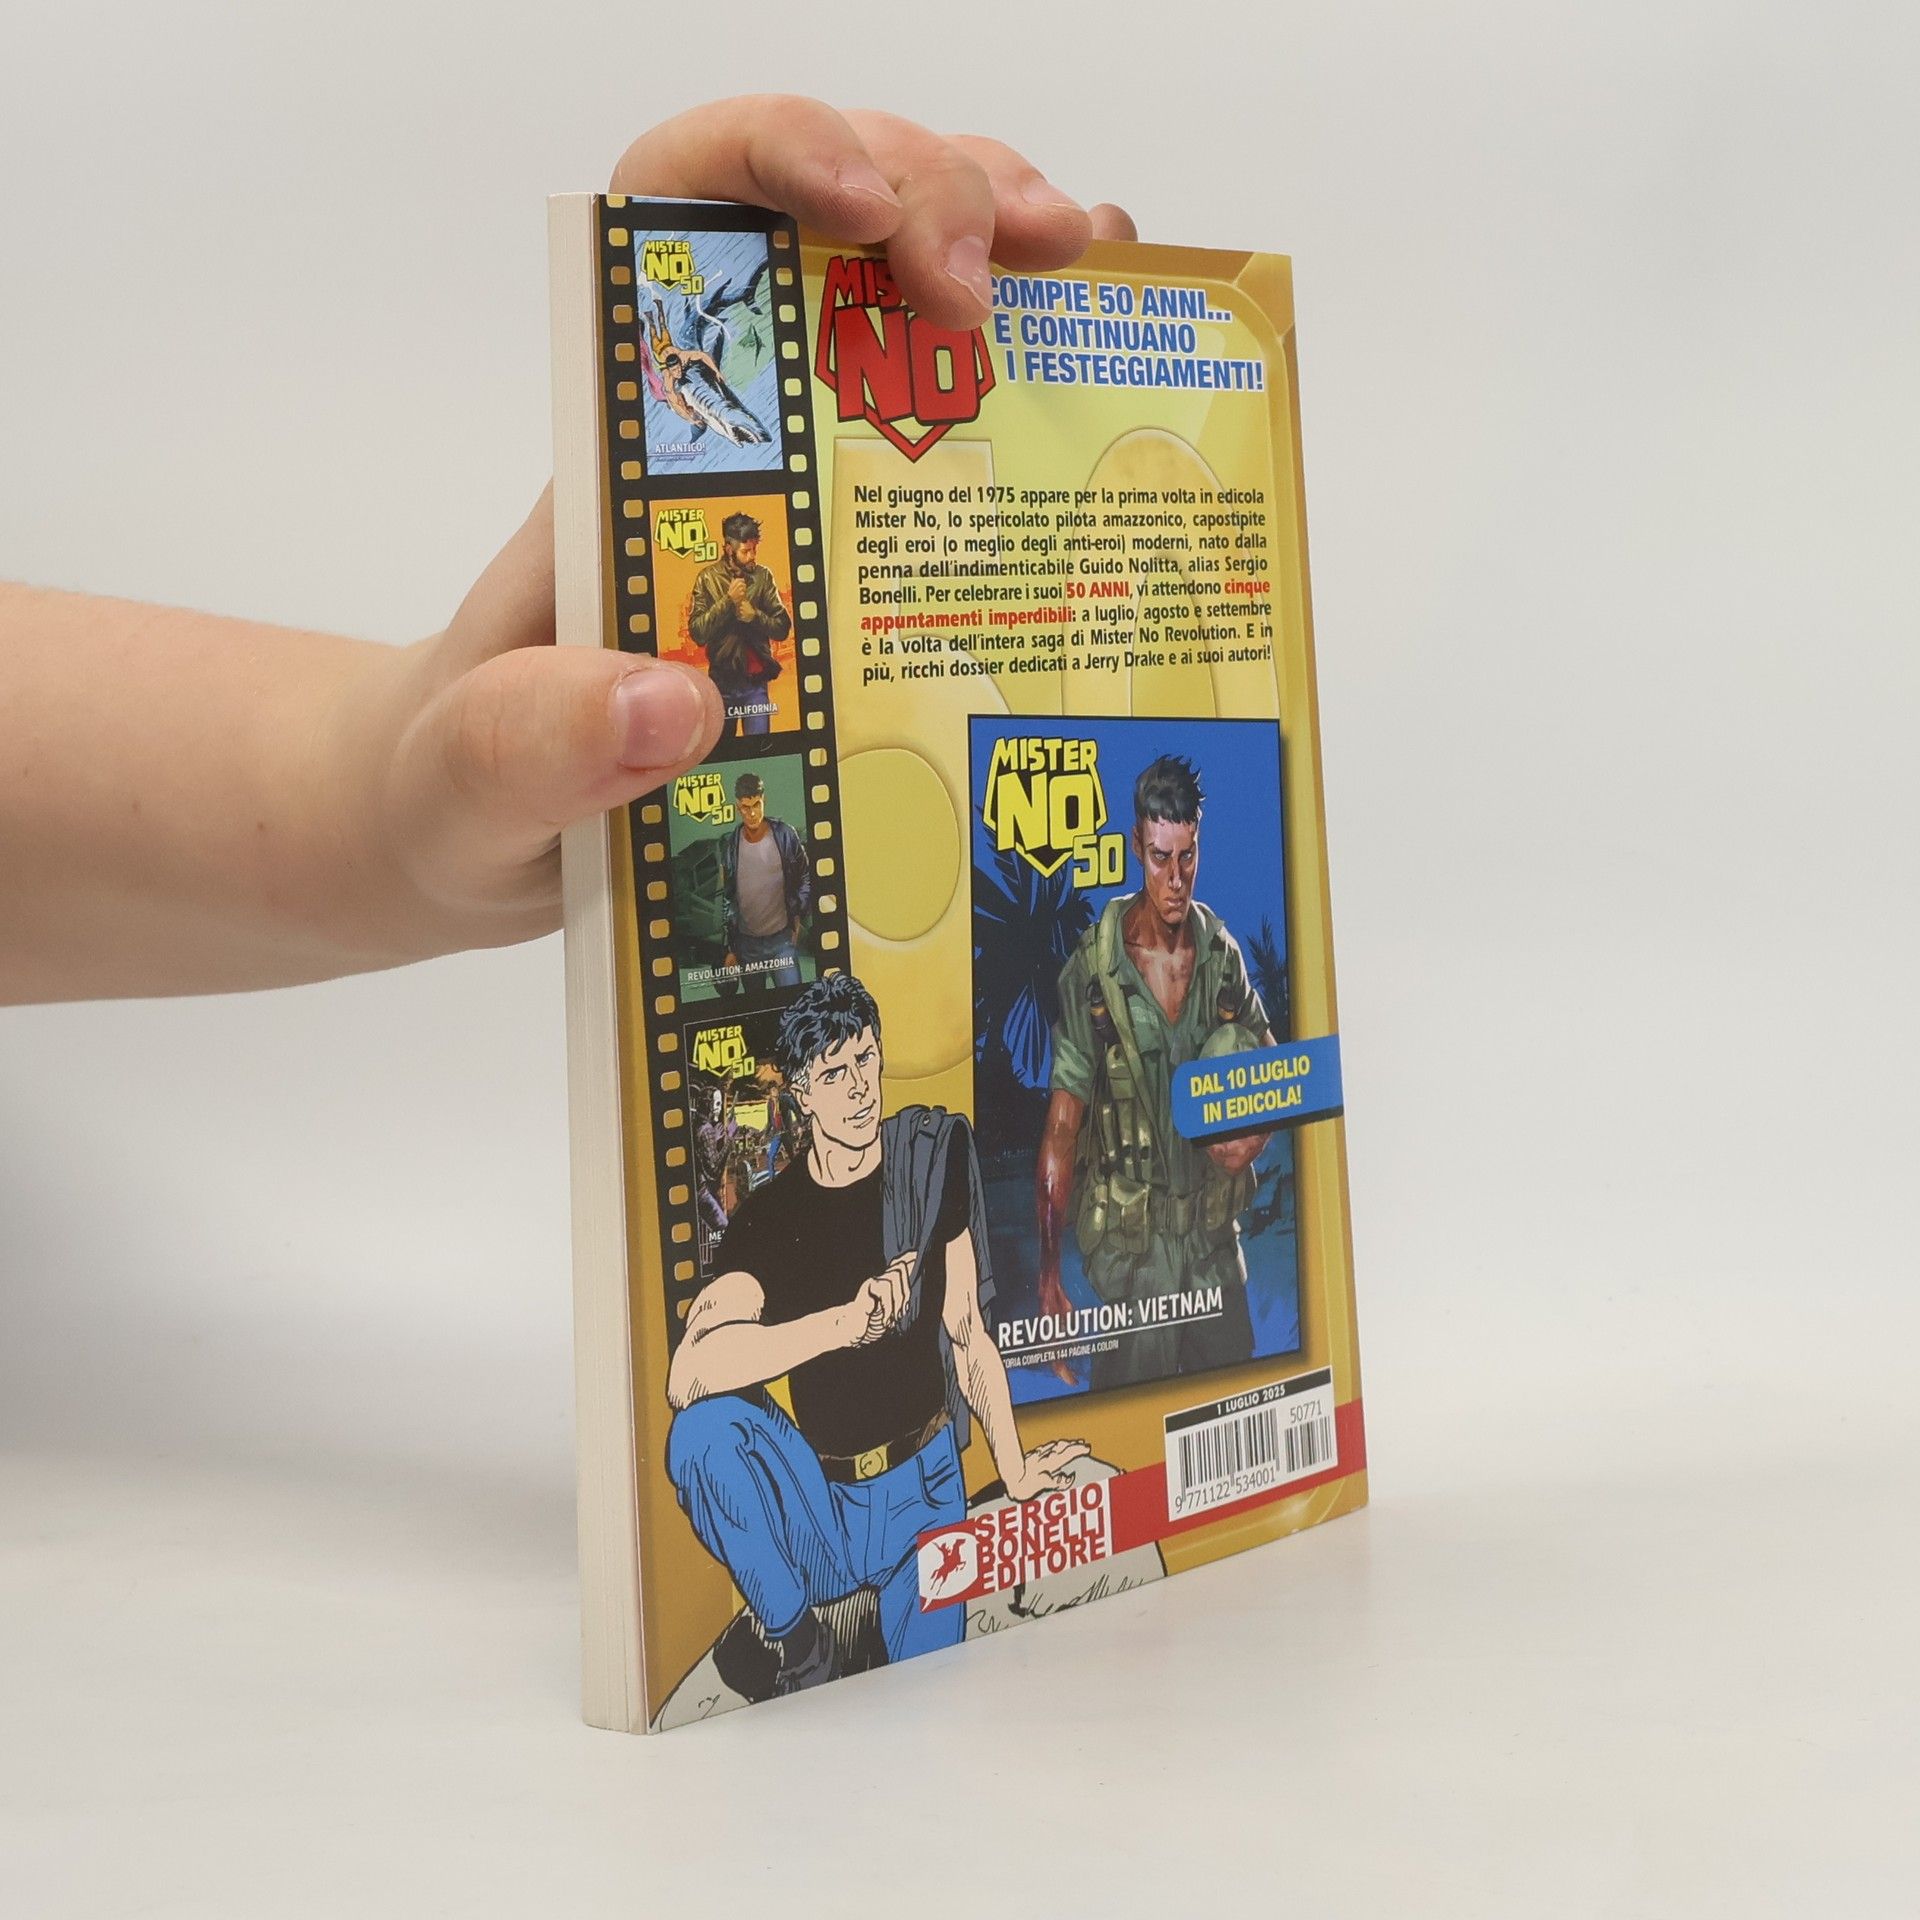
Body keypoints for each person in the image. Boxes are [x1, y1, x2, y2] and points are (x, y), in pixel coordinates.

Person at [0, 98, 1135, 1005]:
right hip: (734, 720)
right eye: (739, 533)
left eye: (745, 533)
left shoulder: (770, 749)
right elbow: (710, 625)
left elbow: (764, 631)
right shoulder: (729, 637)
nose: (743, 542)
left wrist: (391, 787)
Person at [665, 974, 1088, 1692]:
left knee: (931, 1693)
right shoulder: (770, 1218)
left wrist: (1015, 1470)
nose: (859, 1087)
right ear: (803, 1093)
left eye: (865, 1059)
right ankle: (803, 1645)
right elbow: (688, 1376)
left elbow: (967, 1332)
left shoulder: (930, 1159)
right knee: (700, 1434)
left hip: (925, 1490)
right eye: (833, 1073)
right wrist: (841, 1325)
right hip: (824, 1508)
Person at [1034, 755, 1278, 1390]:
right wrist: (1049, 1273)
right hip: (1134, 1257)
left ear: (1199, 844)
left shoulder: (1221, 957)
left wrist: (1255, 1134)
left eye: (1187, 857)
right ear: (1136, 847)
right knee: (1131, 1419)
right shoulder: (1095, 970)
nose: (1175, 879)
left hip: (1212, 1245)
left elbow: (1275, 1073)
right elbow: (1062, 1127)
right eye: (1159, 858)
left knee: (1237, 1407)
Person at [687, 512, 790, 737]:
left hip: (755, 686)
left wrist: (755, 616)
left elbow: (782, 627)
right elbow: (698, 633)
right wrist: (728, 602)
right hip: (721, 686)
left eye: (754, 549)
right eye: (745, 551)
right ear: (729, 549)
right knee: (724, 750)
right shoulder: (707, 578)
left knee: (761, 749)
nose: (752, 556)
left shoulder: (763, 577)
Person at [718, 770, 810, 991]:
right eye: (745, 807)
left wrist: (798, 913)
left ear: (763, 800)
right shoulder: (731, 845)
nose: (752, 813)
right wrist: (729, 948)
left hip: (782, 941)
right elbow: (728, 897)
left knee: (794, 1001)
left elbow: (806, 876)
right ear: (738, 807)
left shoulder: (785, 835)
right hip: (747, 946)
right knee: (756, 1006)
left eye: (756, 805)